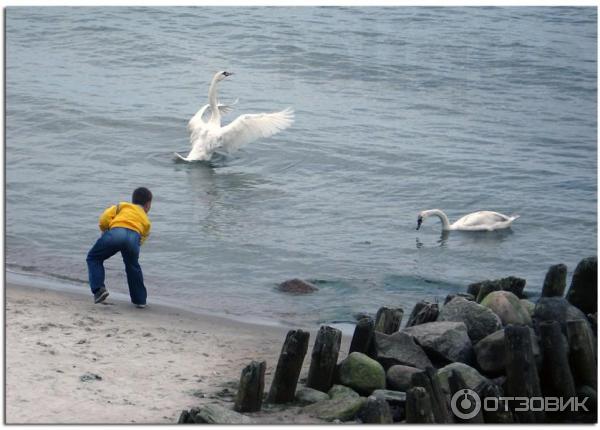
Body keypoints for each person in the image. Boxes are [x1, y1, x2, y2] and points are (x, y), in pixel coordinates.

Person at [86, 187, 152, 307]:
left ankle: (99, 290)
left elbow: (104, 219)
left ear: (133, 200)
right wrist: (133, 247)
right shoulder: (146, 220)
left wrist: (105, 229)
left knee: (94, 258)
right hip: (134, 238)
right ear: (148, 205)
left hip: (116, 233)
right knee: (133, 266)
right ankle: (140, 300)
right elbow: (142, 238)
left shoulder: (121, 206)